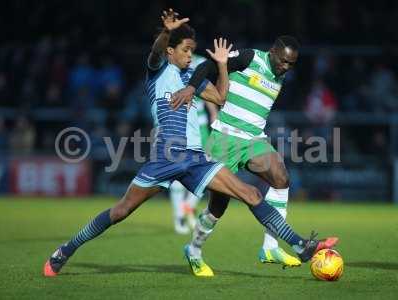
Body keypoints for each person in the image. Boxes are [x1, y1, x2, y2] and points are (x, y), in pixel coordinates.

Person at [43, 9, 335, 278]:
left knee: (251, 194)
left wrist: (221, 65)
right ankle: (65, 250)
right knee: (120, 211)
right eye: (185, 50)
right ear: (171, 50)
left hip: (195, 158)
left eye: (192, 51)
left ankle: (299, 245)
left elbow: (221, 98)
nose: (190, 56)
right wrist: (166, 33)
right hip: (166, 157)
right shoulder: (158, 70)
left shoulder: (190, 76)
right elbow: (157, 51)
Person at [171, 36, 338, 274]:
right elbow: (207, 66)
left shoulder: (282, 74)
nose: (285, 67)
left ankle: (270, 247)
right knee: (218, 206)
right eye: (283, 61)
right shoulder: (250, 57)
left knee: (282, 179)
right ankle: (194, 249)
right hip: (225, 138)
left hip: (254, 139)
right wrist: (190, 87)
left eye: (291, 64)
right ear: (272, 52)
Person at [169, 54, 218, 235]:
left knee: (207, 168)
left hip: (202, 125)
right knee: (178, 170)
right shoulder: (169, 63)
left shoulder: (196, 61)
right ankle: (179, 217)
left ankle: (188, 207)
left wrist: (213, 112)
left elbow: (203, 89)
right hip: (180, 126)